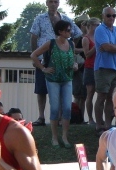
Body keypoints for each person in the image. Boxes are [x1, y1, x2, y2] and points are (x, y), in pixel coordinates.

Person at [29, 0, 82, 126]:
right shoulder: (40, 18)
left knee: (59, 90)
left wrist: (70, 48)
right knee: (41, 89)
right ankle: (41, 117)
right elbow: (33, 37)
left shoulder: (65, 19)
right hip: (44, 57)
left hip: (61, 60)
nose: (53, 4)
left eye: (56, 2)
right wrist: (35, 57)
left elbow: (78, 33)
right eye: (51, 2)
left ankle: (58, 118)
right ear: (47, 3)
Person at [30, 20, 79, 148]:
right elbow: (34, 55)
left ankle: (65, 137)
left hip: (67, 79)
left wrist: (75, 65)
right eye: (68, 30)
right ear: (60, 31)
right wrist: (43, 68)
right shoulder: (51, 43)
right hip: (53, 79)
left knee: (67, 108)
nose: (70, 32)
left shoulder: (71, 44)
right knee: (55, 108)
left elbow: (72, 60)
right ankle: (54, 137)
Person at [94, 6, 116, 135]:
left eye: (114, 15)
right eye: (109, 15)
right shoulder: (100, 30)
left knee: (111, 98)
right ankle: (98, 125)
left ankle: (108, 126)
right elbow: (107, 47)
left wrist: (113, 47)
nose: (111, 18)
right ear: (103, 16)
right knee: (101, 96)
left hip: (115, 68)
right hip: (103, 68)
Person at [82, 17, 100, 126]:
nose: (98, 27)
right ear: (90, 26)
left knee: (101, 93)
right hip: (89, 68)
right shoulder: (86, 38)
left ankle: (99, 119)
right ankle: (90, 118)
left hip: (99, 67)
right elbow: (87, 54)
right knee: (90, 93)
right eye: (96, 25)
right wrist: (97, 45)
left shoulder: (99, 36)